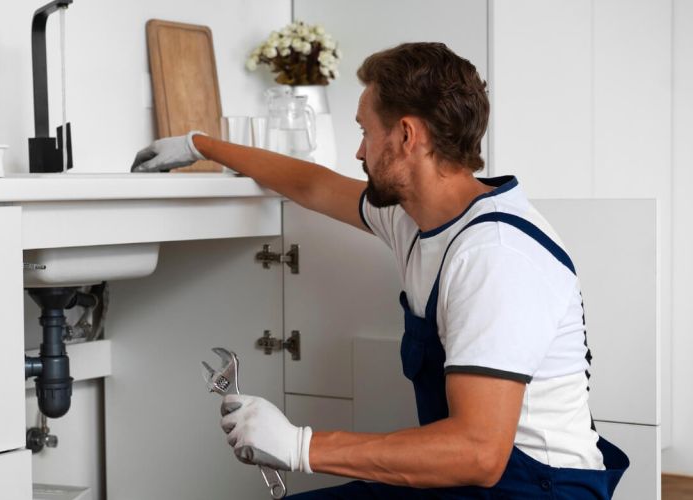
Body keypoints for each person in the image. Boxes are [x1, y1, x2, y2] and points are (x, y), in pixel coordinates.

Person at [131, 42, 629, 498]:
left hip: (532, 488)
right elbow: (312, 184)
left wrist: (301, 446)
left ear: (407, 135)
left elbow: (479, 452)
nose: (360, 151)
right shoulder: (413, 217)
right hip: (466, 477)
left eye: (365, 132)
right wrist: (201, 146)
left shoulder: (494, 256)